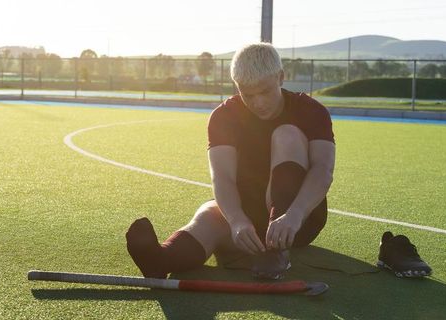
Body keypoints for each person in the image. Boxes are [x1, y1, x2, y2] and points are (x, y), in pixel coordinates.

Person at [126, 43, 336, 280]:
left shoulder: (310, 110)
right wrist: (236, 220)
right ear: (237, 86)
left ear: (281, 77)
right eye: (248, 94)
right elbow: (222, 176)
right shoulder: (224, 116)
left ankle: (276, 250)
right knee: (209, 214)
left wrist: (295, 214)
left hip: (299, 218)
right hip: (248, 214)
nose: (258, 103)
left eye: (265, 91)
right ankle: (161, 260)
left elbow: (323, 169)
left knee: (286, 133)